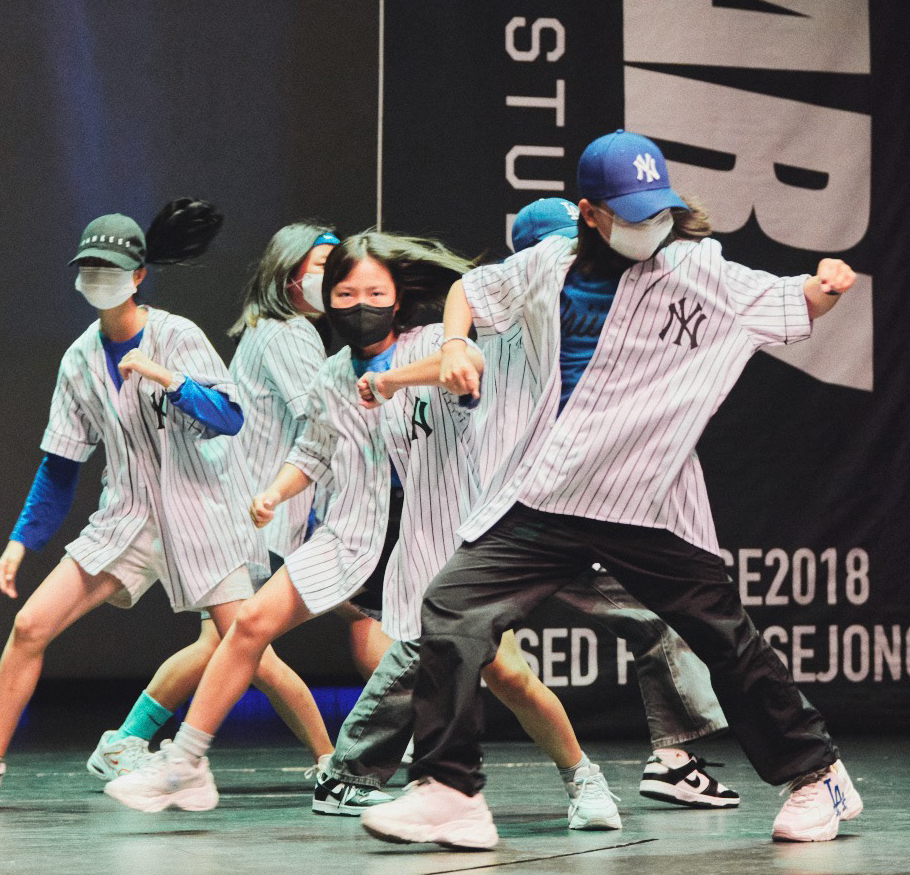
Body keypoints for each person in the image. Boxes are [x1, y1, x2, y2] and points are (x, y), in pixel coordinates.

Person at [358, 132, 864, 850]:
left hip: (644, 499)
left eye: (658, 209)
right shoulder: (548, 264)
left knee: (723, 640)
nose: (650, 224)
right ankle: (450, 792)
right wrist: (456, 342)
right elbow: (472, 289)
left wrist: (826, 286)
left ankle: (818, 777)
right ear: (590, 213)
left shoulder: (698, 269)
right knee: (451, 606)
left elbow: (789, 303)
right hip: (550, 493)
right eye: (631, 212)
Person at [105, 233, 610, 821]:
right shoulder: (330, 374)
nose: (360, 304)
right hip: (353, 536)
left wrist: (394, 381)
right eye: (346, 294)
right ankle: (185, 764)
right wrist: (275, 492)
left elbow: (464, 369)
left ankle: (583, 778)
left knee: (507, 675)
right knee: (250, 623)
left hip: (441, 541)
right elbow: (314, 452)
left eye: (375, 292)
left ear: (398, 298)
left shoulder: (434, 343)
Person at [309, 198, 739, 820]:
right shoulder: (504, 318)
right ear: (536, 258)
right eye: (568, 250)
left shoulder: (590, 318)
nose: (581, 263)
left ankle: (672, 759)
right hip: (507, 518)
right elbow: (459, 360)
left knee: (656, 611)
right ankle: (360, 773)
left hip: (571, 507)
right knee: (458, 645)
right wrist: (394, 379)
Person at [0, 202, 328, 797]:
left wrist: (168, 378)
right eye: (89, 268)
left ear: (137, 276)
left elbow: (230, 415)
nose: (98, 278)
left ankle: (331, 762)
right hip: (127, 518)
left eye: (110, 268)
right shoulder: (79, 359)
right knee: (30, 624)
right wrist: (21, 540)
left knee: (250, 650)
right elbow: (60, 463)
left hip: (203, 515)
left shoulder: (177, 335)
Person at [82, 223, 356, 781]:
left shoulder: (272, 329)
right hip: (257, 516)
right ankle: (335, 761)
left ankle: (127, 740)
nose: (335, 278)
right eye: (323, 266)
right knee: (253, 644)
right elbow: (326, 421)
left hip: (253, 513)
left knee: (227, 641)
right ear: (289, 273)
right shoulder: (289, 333)